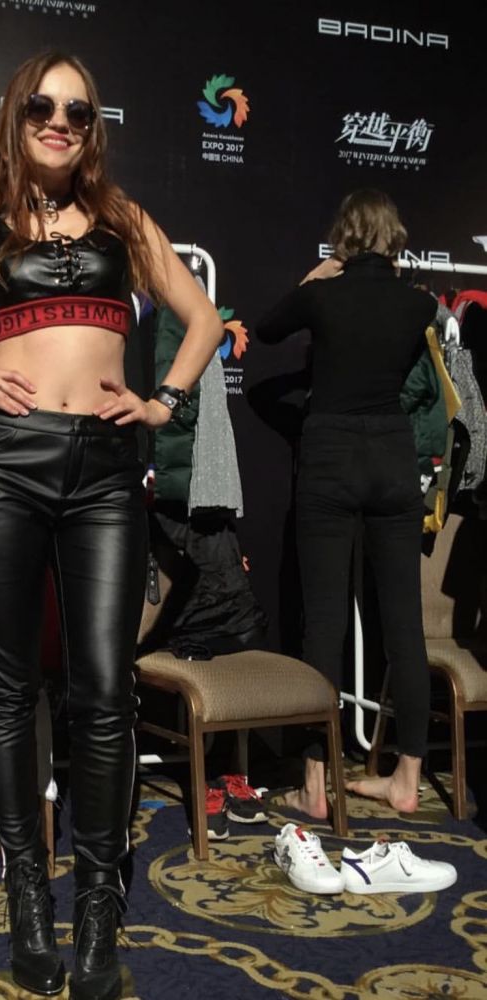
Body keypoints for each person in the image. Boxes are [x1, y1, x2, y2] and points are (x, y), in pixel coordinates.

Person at [0, 51, 222, 1000]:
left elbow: (200, 318)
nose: (59, 121)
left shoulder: (124, 220)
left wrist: (164, 401)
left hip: (106, 470)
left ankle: (98, 904)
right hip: (4, 467)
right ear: (16, 119)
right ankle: (29, 892)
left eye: (78, 110)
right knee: (10, 687)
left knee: (104, 692)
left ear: (92, 127)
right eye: (41, 107)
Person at [257, 189, 436, 820]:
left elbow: (266, 329)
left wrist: (316, 277)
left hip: (330, 455)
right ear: (394, 238)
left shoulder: (321, 296)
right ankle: (406, 780)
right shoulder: (420, 304)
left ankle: (314, 785)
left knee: (324, 624)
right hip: (391, 457)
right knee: (404, 625)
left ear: (346, 236)